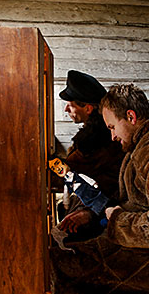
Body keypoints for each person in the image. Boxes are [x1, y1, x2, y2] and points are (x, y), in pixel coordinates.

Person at [50, 83, 149, 294]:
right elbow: (136, 202)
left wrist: (118, 220)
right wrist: (93, 214)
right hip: (137, 254)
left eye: (112, 127)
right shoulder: (145, 144)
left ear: (131, 117)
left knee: (54, 265)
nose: (112, 136)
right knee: (59, 253)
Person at [55, 70, 125, 241]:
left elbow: (64, 173)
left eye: (71, 105)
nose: (66, 109)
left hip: (108, 210)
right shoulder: (100, 132)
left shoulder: (95, 142)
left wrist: (50, 162)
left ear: (87, 108)